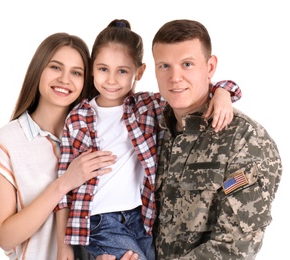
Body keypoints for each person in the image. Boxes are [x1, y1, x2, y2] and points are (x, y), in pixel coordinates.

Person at [55, 19, 242, 260]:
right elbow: (64, 184)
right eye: (103, 69)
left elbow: (191, 93)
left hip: (140, 218)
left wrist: (223, 93)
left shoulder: (146, 106)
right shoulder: (78, 118)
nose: (111, 80)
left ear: (140, 72)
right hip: (99, 220)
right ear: (92, 68)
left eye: (122, 71)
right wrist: (64, 245)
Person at [117, 19, 282, 260]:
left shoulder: (245, 140)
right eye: (164, 65)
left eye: (187, 64)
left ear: (210, 66)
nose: (175, 77)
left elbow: (235, 247)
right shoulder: (151, 127)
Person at [0, 32, 118, 260]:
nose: (65, 79)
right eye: (55, 67)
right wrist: (64, 182)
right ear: (38, 70)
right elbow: (5, 236)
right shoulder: (7, 142)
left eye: (76, 72)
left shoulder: (98, 135)